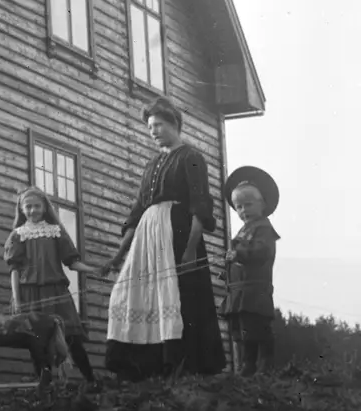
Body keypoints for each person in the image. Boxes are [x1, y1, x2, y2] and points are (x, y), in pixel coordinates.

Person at [101, 97, 226, 380]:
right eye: (149, 127)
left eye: (158, 125)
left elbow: (200, 204)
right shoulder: (152, 164)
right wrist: (118, 256)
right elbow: (137, 211)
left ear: (174, 124)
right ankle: (142, 365)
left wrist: (192, 248)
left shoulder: (191, 157)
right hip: (147, 238)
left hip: (178, 234)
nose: (153, 131)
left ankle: (183, 364)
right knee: (132, 292)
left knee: (180, 295)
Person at [4, 186, 102, 388]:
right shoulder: (17, 235)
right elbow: (14, 269)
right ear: (22, 209)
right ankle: (43, 383)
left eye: (37, 206)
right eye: (28, 207)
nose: (32, 211)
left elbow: (72, 262)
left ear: (44, 207)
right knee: (36, 339)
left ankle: (91, 380)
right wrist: (17, 300)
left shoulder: (56, 232)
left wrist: (94, 270)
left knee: (71, 334)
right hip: (29, 293)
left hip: (55, 291)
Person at [219, 166, 280, 377]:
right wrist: (227, 268)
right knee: (243, 330)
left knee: (257, 328)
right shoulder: (243, 230)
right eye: (239, 207)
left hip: (254, 290)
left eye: (248, 205)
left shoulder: (263, 228)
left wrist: (239, 255)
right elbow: (238, 256)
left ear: (262, 204)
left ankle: (265, 367)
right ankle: (248, 365)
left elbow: (261, 252)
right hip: (239, 290)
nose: (243, 210)